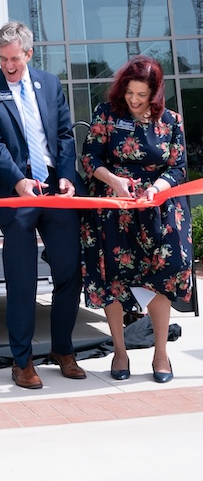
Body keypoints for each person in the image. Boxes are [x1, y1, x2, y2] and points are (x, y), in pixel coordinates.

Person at [0, 21, 85, 389]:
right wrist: (18, 180)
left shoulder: (49, 83)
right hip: (17, 190)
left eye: (14, 58)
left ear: (29, 53)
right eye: (3, 59)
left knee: (70, 270)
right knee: (22, 280)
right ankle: (22, 360)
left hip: (55, 188)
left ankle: (63, 349)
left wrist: (67, 175)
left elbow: (63, 134)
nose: (8, 66)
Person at [80, 55, 193, 383]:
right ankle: (120, 350)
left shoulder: (171, 121)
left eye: (142, 94)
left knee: (163, 274)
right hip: (113, 209)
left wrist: (156, 187)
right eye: (130, 92)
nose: (134, 99)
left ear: (155, 93)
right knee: (112, 278)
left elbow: (178, 167)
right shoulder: (106, 114)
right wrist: (113, 180)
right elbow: (89, 157)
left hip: (158, 209)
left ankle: (161, 353)